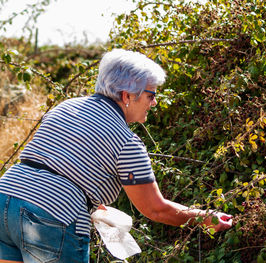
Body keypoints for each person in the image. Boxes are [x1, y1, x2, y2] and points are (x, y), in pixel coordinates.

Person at [0, 49, 232, 263]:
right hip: (50, 215)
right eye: (150, 95)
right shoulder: (126, 141)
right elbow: (155, 209)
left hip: (5, 198)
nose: (154, 103)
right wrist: (205, 217)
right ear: (126, 96)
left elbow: (57, 164)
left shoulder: (66, 107)